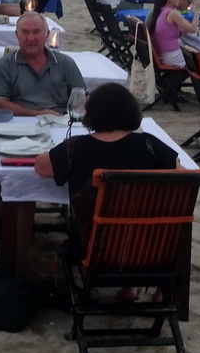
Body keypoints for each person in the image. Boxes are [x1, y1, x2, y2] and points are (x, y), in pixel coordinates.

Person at [34, 83, 178, 262]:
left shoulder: (77, 147)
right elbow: (182, 175)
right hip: (148, 244)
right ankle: (137, 289)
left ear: (91, 113)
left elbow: (41, 166)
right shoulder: (149, 144)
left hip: (92, 244)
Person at [0, 12, 85, 116]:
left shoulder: (65, 63)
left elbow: (82, 99)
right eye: (25, 32)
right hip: (17, 126)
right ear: (17, 35)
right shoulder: (5, 65)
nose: (30, 38)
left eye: (36, 32)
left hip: (60, 124)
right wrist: (38, 114)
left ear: (46, 34)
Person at [146, 0, 200, 67]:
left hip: (162, 52)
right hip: (171, 55)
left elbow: (171, 33)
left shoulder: (161, 10)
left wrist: (186, 25)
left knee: (192, 51)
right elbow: (193, 30)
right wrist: (197, 11)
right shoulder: (172, 13)